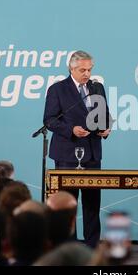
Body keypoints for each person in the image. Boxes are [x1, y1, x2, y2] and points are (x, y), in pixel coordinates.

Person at [43, 50, 111, 248]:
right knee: (68, 205)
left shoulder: (97, 87)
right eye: (83, 70)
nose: (87, 74)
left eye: (90, 70)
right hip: (67, 153)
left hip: (92, 153)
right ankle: (68, 246)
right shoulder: (58, 89)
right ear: (71, 68)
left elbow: (104, 114)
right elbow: (49, 120)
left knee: (92, 204)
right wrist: (71, 130)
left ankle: (91, 247)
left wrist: (106, 129)